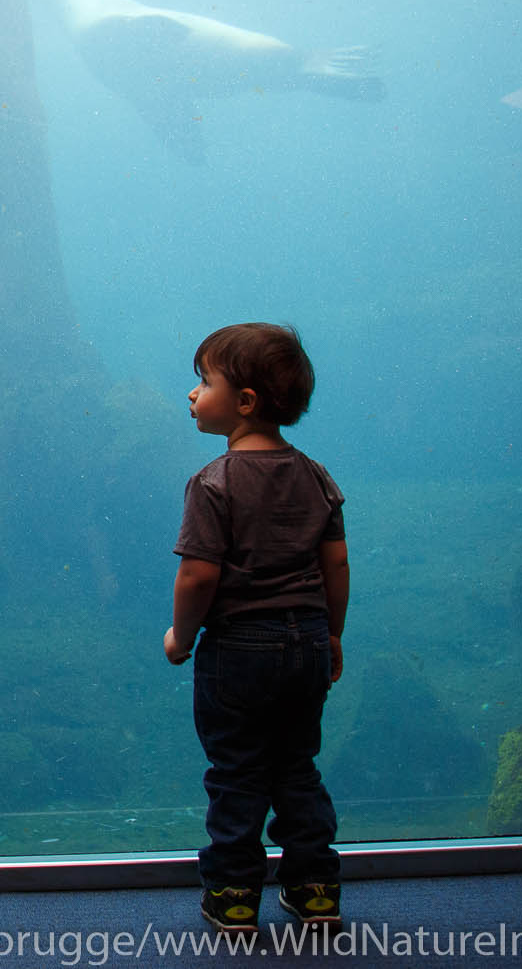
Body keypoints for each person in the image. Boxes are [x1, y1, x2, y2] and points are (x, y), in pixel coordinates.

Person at [163, 323, 350, 937]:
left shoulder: (212, 483)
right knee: (297, 766)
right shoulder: (317, 475)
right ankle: (316, 888)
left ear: (244, 402)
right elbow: (336, 564)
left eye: (203, 381)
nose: (192, 394)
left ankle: (236, 897)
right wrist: (332, 634)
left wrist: (181, 636)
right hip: (307, 646)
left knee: (238, 771)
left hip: (238, 651)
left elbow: (197, 577)